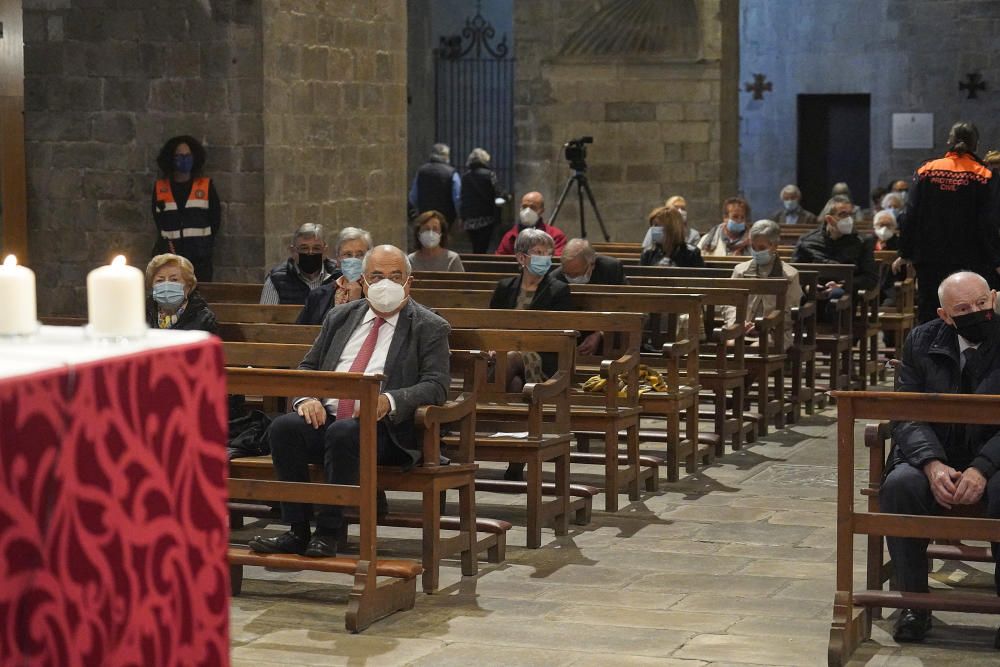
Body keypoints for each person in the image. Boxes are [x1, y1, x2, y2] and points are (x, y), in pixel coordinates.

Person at [249, 245, 450, 557]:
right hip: (328, 418)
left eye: (396, 277)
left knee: (343, 434)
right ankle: (296, 529)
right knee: (283, 428)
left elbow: (436, 385)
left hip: (386, 431)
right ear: (364, 281)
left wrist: (389, 400)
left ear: (409, 282)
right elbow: (308, 367)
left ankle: (329, 532)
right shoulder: (340, 317)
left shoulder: (429, 326)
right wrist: (307, 397)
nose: (386, 285)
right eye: (377, 276)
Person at [880, 271, 1000, 644]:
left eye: (982, 304)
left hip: (994, 458)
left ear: (994, 299)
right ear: (945, 315)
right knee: (900, 485)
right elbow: (906, 412)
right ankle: (915, 603)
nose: (976, 313)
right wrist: (931, 463)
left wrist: (981, 467)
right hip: (935, 454)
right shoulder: (921, 340)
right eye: (963, 309)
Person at [896, 121, 1000, 323]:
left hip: (930, 258)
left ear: (949, 142)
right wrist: (996, 259)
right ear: (975, 145)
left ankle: (928, 354)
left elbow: (910, 215)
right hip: (972, 259)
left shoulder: (927, 170)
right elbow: (989, 222)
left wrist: (905, 253)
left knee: (931, 312)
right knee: (972, 312)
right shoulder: (984, 175)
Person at [489, 228, 571, 481]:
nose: (544, 258)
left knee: (511, 358)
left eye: (548, 253)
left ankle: (486, 406)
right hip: (507, 358)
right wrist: (494, 344)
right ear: (521, 258)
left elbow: (556, 333)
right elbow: (491, 323)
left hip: (544, 358)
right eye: (537, 253)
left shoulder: (558, 289)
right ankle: (517, 457)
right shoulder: (505, 287)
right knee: (515, 385)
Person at [723, 220, 802, 351]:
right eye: (753, 247)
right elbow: (730, 303)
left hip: (776, 333)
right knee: (731, 344)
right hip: (742, 330)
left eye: (762, 248)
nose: (756, 252)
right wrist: (736, 323)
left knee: (756, 348)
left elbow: (789, 312)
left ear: (775, 246)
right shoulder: (740, 270)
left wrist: (764, 326)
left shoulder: (789, 275)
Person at [151, 135, 221, 282]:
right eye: (179, 156)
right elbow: (158, 221)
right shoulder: (160, 188)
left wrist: (204, 246)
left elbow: (215, 220)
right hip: (170, 260)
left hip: (200, 261)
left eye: (188, 156)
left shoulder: (206, 187)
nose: (184, 159)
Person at [791, 194, 878, 299]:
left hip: (846, 294)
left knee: (836, 295)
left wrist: (843, 285)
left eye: (851, 214)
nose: (849, 219)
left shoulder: (862, 241)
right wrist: (807, 287)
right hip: (813, 291)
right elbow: (795, 273)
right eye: (843, 214)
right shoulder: (807, 241)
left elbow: (870, 278)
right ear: (829, 219)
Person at [297, 227, 372, 325]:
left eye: (360, 254)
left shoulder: (375, 293)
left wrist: (355, 302)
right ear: (338, 259)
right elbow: (299, 333)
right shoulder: (318, 295)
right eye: (348, 254)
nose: (354, 260)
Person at [260, 223, 340, 306]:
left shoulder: (337, 275)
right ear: (293, 251)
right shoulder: (276, 279)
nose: (310, 253)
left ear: (325, 251)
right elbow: (265, 315)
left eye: (316, 248)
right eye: (304, 248)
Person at [144, 253, 217, 334]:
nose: (166, 285)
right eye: (160, 280)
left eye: (174, 280)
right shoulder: (142, 314)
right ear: (152, 285)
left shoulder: (204, 318)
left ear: (188, 286)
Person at [494, 191, 567, 256]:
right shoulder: (510, 236)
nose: (527, 211)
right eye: (524, 206)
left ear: (541, 211)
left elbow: (557, 263)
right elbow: (499, 262)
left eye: (533, 207)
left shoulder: (555, 236)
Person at [460, 148, 503, 253]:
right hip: (486, 217)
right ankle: (480, 266)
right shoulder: (489, 175)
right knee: (483, 246)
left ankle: (475, 264)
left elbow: (462, 196)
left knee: (475, 245)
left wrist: (463, 216)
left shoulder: (465, 177)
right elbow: (497, 192)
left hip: (469, 219)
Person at [409, 143, 461, 226]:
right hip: (446, 217)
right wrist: (460, 217)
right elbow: (457, 198)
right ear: (446, 156)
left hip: (425, 216)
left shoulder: (421, 171)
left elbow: (413, 197)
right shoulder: (452, 173)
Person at [552, 238, 627, 286]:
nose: (571, 278)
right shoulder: (555, 278)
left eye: (576, 274)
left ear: (592, 264)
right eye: (567, 274)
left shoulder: (611, 268)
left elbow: (626, 298)